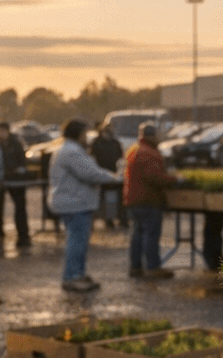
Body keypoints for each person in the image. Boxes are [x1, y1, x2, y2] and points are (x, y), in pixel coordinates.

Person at [49, 117, 113, 293]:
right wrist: (113, 177)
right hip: (75, 203)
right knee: (77, 241)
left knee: (78, 240)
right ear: (78, 134)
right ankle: (73, 276)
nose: (87, 136)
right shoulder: (72, 152)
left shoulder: (70, 149)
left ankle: (77, 273)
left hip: (74, 202)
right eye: (85, 133)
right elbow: (90, 173)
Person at [123, 122, 180, 279]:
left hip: (134, 200)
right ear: (152, 136)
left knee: (137, 235)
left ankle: (135, 267)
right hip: (148, 199)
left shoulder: (134, 150)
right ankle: (153, 267)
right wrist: (175, 180)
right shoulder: (149, 153)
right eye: (157, 135)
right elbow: (155, 177)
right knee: (151, 234)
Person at [0, 121, 34, 248]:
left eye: (2, 131)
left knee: (20, 208)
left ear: (8, 131)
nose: (0, 134)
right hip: (0, 181)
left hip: (16, 181)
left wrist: (18, 170)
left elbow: (22, 161)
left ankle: (23, 236)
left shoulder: (16, 144)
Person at [89, 122, 125, 228]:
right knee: (103, 199)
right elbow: (92, 157)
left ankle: (121, 219)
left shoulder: (116, 143)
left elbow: (120, 157)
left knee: (117, 198)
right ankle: (106, 220)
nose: (110, 133)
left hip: (114, 175)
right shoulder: (96, 142)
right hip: (100, 174)